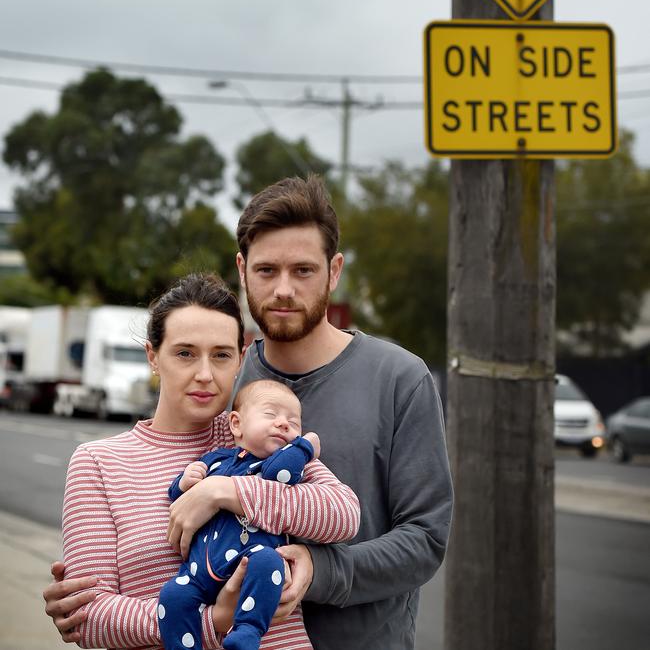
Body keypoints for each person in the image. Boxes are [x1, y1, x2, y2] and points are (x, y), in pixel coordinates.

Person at [45, 174, 452, 650]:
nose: (283, 290)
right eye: (266, 271)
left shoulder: (400, 380)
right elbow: (112, 577)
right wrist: (92, 608)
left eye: (303, 270)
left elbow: (425, 540)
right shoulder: (221, 392)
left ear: (334, 270)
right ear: (242, 270)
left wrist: (316, 566)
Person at [44, 272, 359, 650]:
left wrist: (224, 490)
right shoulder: (97, 462)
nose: (205, 375)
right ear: (153, 357)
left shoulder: (255, 436)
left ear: (241, 359)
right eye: (185, 353)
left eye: (221, 355)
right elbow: (88, 620)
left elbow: (343, 513)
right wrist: (214, 621)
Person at [159, 379, 321, 650]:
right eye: (271, 415)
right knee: (173, 596)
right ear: (236, 424)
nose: (283, 424)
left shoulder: (276, 465)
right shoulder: (216, 459)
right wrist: (185, 481)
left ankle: (247, 631)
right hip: (200, 570)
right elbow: (177, 497)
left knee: (270, 562)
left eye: (294, 423)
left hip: (253, 560)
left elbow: (278, 474)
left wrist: (305, 446)